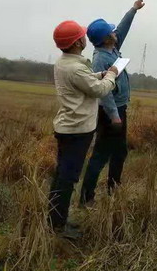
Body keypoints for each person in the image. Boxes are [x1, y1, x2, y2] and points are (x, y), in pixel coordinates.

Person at [49, 20, 119, 237]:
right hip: (77, 130)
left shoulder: (65, 63)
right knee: (68, 178)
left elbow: (85, 82)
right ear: (78, 43)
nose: (84, 38)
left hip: (68, 127)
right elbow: (98, 90)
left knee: (62, 174)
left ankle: (55, 218)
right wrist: (112, 74)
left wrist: (100, 74)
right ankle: (58, 225)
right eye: (81, 36)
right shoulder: (76, 68)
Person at [80, 0, 145, 205]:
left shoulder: (112, 46)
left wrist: (134, 9)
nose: (115, 33)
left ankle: (113, 189)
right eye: (111, 32)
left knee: (119, 151)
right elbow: (103, 91)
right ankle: (86, 197)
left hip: (119, 110)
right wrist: (115, 116)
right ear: (106, 39)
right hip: (110, 113)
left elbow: (123, 28)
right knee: (101, 154)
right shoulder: (101, 58)